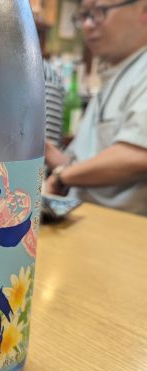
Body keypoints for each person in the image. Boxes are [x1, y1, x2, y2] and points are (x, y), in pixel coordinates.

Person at [44, 0, 147, 216]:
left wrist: (62, 176)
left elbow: (138, 155)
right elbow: (82, 164)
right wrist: (48, 152)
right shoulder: (115, 75)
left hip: (120, 228)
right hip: (82, 217)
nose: (87, 25)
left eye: (99, 12)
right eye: (83, 16)